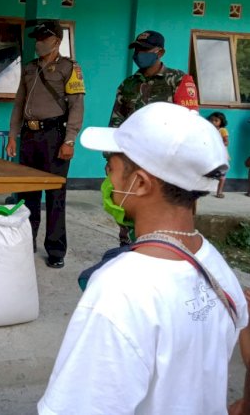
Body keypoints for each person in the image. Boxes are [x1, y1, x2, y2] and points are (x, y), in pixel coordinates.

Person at [39, 102, 248, 414]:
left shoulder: (120, 290)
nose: (107, 179)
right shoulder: (212, 260)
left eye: (111, 169)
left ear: (139, 183)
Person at [6, 20, 85, 268]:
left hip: (55, 137)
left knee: (54, 195)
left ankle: (55, 250)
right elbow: (19, 103)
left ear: (57, 41)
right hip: (29, 137)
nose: (38, 42)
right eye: (36, 38)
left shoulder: (69, 68)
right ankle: (26, 243)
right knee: (27, 192)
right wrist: (12, 135)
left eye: (43, 38)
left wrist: (70, 139)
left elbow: (76, 106)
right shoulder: (29, 68)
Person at [109, 29, 199, 244]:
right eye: (138, 49)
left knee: (165, 209)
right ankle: (128, 248)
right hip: (132, 159)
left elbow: (189, 122)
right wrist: (111, 158)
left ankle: (164, 248)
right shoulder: (128, 84)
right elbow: (116, 122)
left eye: (145, 49)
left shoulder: (178, 80)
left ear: (160, 52)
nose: (140, 53)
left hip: (166, 161)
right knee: (130, 207)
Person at [208, 111, 229, 198]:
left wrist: (219, 144)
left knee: (222, 174)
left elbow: (226, 142)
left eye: (216, 120)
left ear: (221, 122)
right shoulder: (208, 130)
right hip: (210, 154)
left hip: (220, 155)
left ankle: (219, 192)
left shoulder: (222, 130)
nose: (213, 122)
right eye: (212, 120)